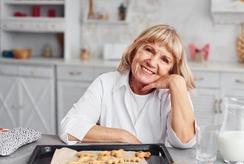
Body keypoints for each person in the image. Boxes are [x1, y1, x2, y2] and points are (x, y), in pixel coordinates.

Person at [59, 24, 198, 148]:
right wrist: (123, 137)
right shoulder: (105, 83)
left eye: (165, 59)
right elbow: (69, 128)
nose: (152, 62)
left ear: (171, 70)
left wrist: (177, 82)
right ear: (135, 50)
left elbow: (185, 141)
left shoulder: (172, 93)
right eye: (149, 50)